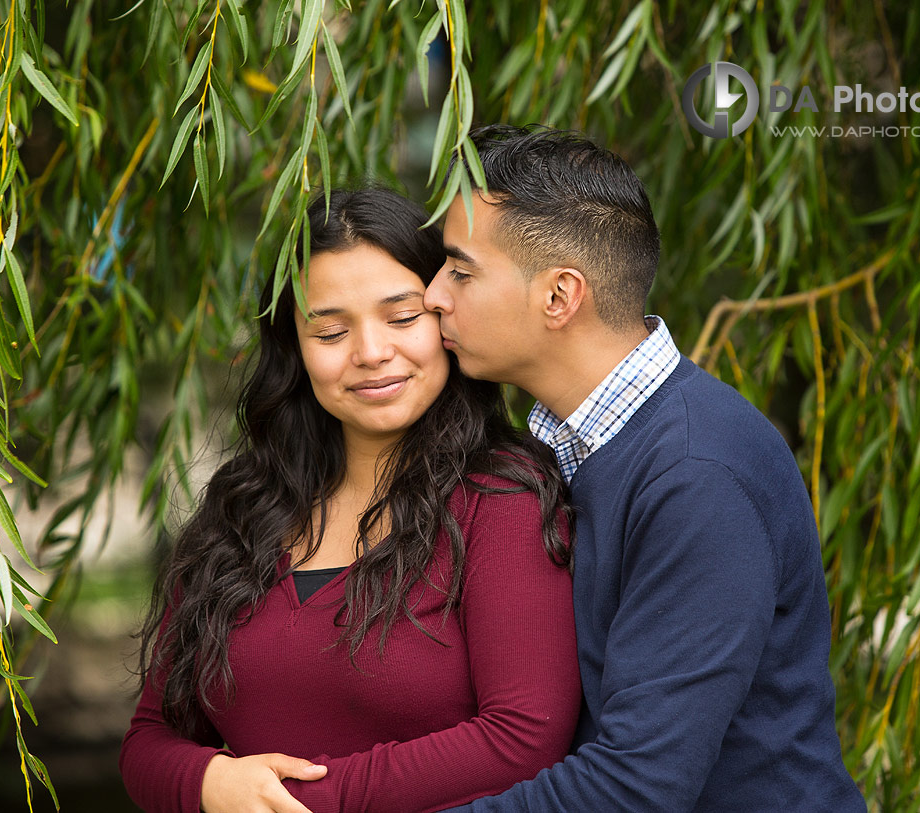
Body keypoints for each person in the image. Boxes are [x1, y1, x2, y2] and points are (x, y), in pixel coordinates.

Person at [421, 125, 867, 811]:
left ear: (559, 297)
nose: (432, 295)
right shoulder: (566, 449)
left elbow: (636, 784)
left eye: (461, 270)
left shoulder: (698, 473)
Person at [119, 187, 581, 813]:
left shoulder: (501, 500)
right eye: (331, 330)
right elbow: (150, 741)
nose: (370, 353)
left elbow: (525, 738)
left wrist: (300, 802)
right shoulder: (242, 509)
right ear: (296, 348)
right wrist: (210, 785)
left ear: (446, 314)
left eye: (401, 317)